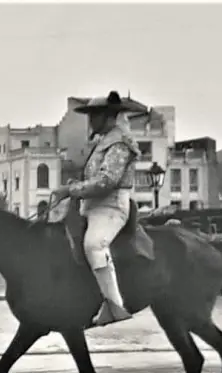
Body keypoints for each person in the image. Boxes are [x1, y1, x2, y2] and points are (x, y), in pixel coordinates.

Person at [51, 90, 142, 328]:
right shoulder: (102, 142)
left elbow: (107, 181)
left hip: (111, 206)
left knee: (94, 244)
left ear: (106, 117)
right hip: (90, 205)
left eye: (94, 116)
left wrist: (71, 190)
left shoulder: (120, 142)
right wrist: (74, 188)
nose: (91, 121)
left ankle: (115, 306)